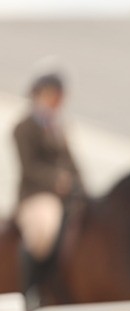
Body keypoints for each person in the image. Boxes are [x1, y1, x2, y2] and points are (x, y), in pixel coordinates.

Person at [12, 70, 84, 279]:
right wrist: (57, 180)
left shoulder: (59, 128)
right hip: (38, 195)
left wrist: (81, 186)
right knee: (44, 230)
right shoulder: (23, 128)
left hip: (68, 195)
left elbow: (72, 163)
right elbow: (30, 167)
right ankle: (31, 284)